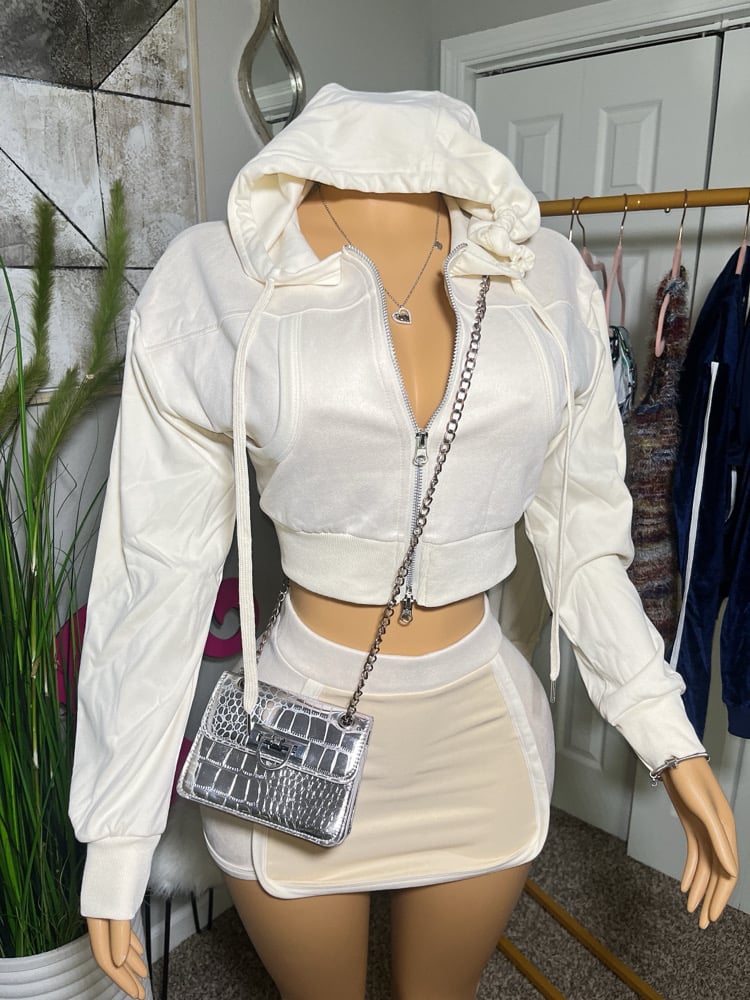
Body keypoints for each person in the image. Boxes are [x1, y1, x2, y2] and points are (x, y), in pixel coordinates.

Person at [70, 85, 738, 1000]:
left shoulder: (548, 280)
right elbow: (158, 570)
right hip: (293, 732)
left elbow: (586, 548)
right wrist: (118, 833)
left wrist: (670, 737)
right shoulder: (215, 279)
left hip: (479, 730)